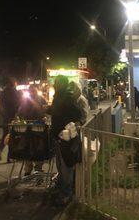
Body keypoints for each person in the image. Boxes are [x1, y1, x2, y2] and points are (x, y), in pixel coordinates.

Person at [49, 75, 82, 206]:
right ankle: (62, 190)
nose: (54, 84)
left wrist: (67, 124)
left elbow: (77, 114)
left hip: (65, 137)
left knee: (66, 165)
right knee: (60, 165)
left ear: (61, 84)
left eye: (57, 82)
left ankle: (67, 194)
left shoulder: (66, 97)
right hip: (58, 136)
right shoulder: (58, 97)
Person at [17, 85, 47, 176]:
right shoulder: (25, 101)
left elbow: (45, 110)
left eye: (33, 91)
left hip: (37, 128)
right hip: (30, 128)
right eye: (31, 91)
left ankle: (36, 168)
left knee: (37, 148)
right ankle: (30, 168)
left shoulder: (40, 99)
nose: (32, 93)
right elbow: (20, 112)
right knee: (30, 148)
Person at [0, 77, 19, 161]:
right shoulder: (14, 92)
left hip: (5, 117)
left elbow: (1, 105)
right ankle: (10, 157)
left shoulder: (3, 93)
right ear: (13, 83)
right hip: (13, 117)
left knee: (5, 135)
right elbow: (17, 104)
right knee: (12, 136)